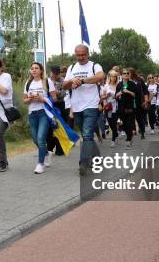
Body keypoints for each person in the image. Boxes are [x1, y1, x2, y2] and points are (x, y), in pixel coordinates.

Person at [63, 44, 104, 176]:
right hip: (77, 106)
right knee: (87, 135)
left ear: (88, 54)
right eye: (78, 55)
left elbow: (100, 77)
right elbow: (64, 85)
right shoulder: (72, 67)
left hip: (91, 105)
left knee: (86, 135)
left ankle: (83, 162)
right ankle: (97, 158)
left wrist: (82, 80)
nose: (80, 57)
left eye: (83, 54)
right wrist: (71, 81)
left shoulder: (94, 65)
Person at [24, 62, 56, 174]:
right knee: (35, 139)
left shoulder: (47, 81)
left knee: (41, 138)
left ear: (41, 70)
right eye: (32, 68)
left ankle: (40, 164)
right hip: (32, 114)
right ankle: (46, 153)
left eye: (36, 68)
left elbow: (54, 98)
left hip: (44, 113)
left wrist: (42, 99)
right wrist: (30, 99)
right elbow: (24, 100)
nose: (34, 70)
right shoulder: (28, 83)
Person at [115, 69, 138, 147]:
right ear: (121, 75)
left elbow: (135, 95)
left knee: (129, 123)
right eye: (124, 73)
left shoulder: (132, 84)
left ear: (129, 75)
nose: (126, 75)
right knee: (123, 124)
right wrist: (121, 92)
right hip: (121, 107)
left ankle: (128, 139)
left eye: (127, 73)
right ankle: (130, 136)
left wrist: (128, 91)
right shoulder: (119, 84)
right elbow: (116, 96)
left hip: (130, 106)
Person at [47, 66, 66, 156]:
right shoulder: (46, 80)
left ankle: (59, 149)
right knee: (50, 128)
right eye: (52, 74)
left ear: (58, 73)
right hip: (49, 106)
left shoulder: (62, 80)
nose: (54, 76)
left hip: (59, 105)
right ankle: (49, 148)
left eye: (56, 75)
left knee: (59, 127)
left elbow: (63, 93)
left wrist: (56, 92)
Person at [128, 68, 148, 139]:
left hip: (139, 101)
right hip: (130, 102)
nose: (127, 75)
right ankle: (133, 131)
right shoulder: (126, 81)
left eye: (129, 73)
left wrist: (145, 101)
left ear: (132, 73)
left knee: (139, 118)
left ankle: (142, 132)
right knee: (131, 117)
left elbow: (145, 91)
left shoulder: (139, 80)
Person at [102, 70, 119, 147]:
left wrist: (117, 96)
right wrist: (107, 96)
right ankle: (116, 134)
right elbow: (103, 97)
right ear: (109, 77)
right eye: (112, 76)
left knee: (114, 122)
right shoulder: (106, 86)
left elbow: (121, 96)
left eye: (115, 76)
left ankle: (113, 140)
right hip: (108, 107)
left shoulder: (118, 85)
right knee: (110, 123)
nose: (114, 78)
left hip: (116, 106)